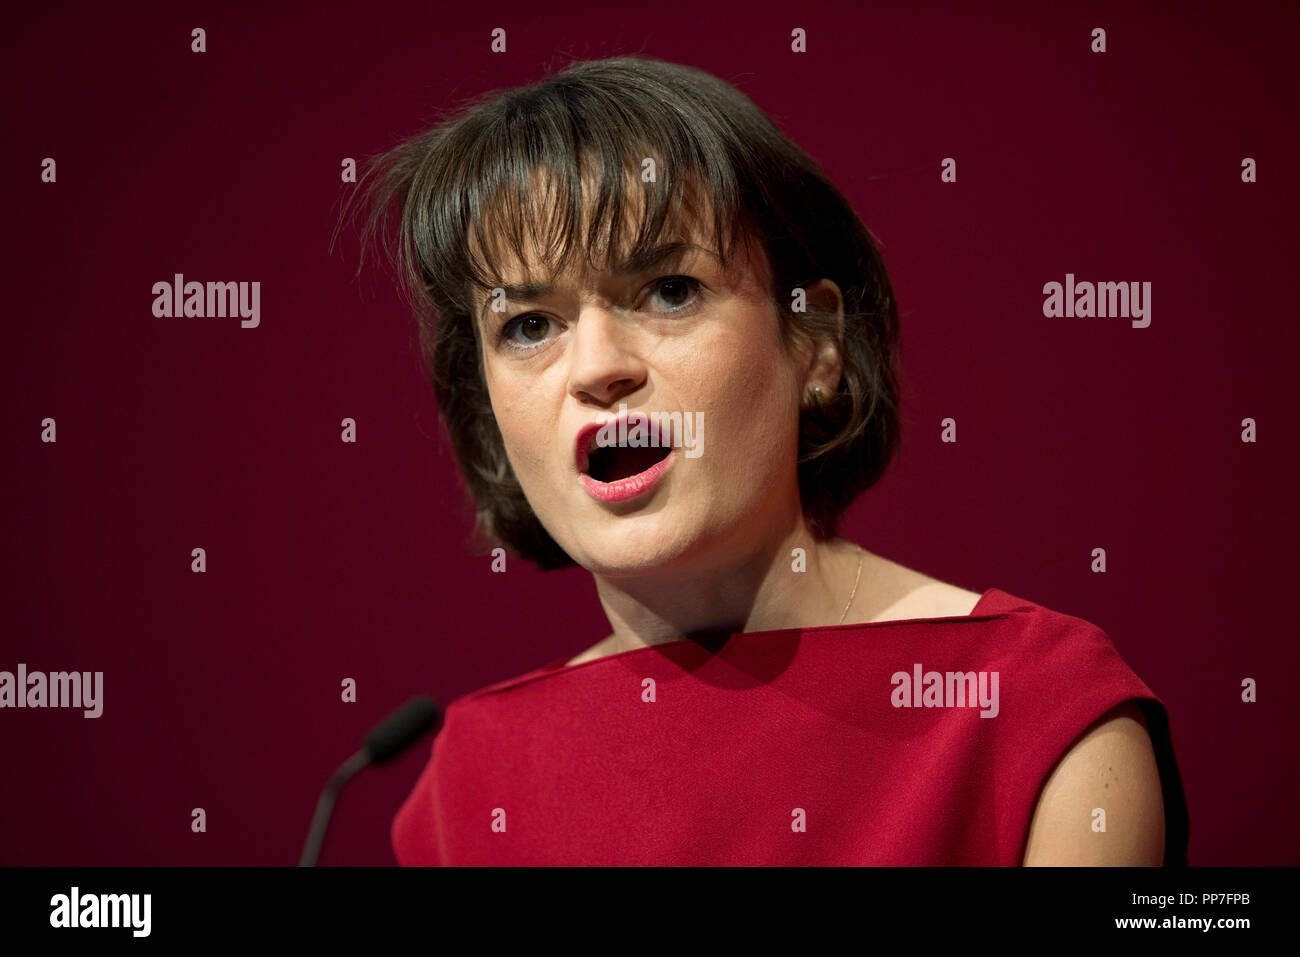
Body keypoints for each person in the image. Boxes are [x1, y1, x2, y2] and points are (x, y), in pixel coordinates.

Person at [342, 55, 1190, 865]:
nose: (597, 367)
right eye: (529, 325)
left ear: (815, 343)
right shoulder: (466, 784)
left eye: (669, 290)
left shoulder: (1036, 711)